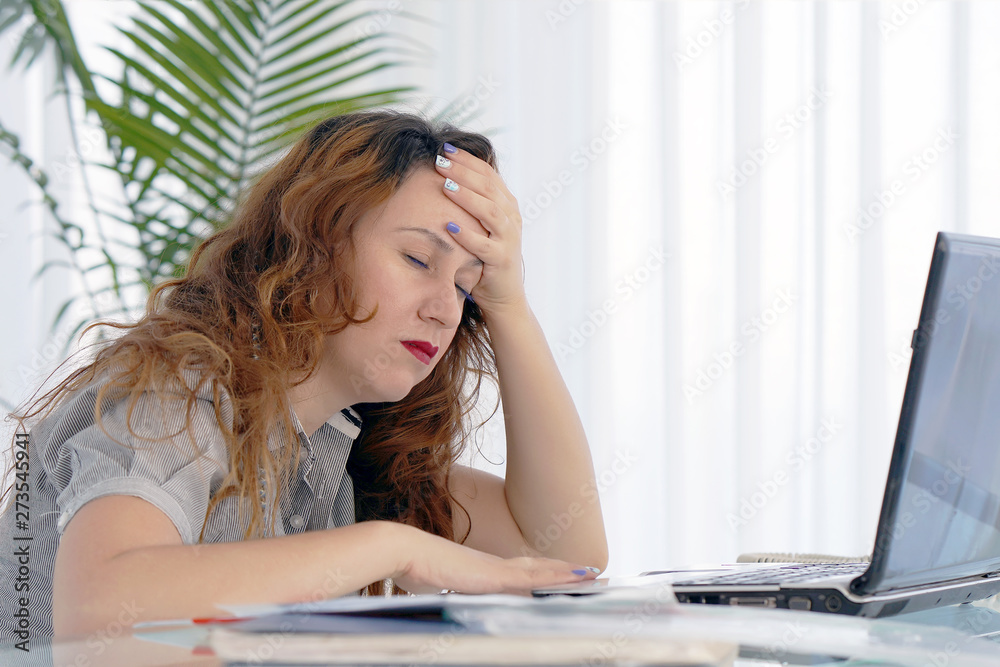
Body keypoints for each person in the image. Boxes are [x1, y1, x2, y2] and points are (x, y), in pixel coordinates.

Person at [0, 109, 608, 641]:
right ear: (313, 244)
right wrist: (395, 547)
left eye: (465, 287)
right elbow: (100, 605)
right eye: (419, 259)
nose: (445, 308)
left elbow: (563, 554)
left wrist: (509, 304)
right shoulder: (178, 388)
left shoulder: (335, 443)